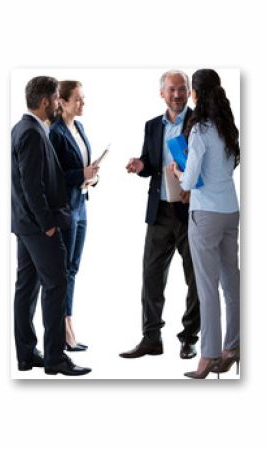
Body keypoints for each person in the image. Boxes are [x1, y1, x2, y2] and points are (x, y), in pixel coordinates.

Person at [11, 76, 91, 376]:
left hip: (25, 225)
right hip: (38, 227)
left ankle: (27, 353)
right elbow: (32, 186)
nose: (59, 103)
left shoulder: (24, 128)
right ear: (45, 101)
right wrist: (48, 225)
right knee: (55, 286)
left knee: (27, 288)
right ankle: (55, 359)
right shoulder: (31, 132)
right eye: (58, 98)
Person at [119, 70, 200, 360]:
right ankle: (151, 338)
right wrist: (140, 165)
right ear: (162, 93)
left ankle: (189, 338)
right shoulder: (152, 126)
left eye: (182, 89)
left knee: (196, 279)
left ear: (189, 92)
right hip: (160, 213)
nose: (177, 94)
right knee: (151, 278)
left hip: (192, 213)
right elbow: (151, 164)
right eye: (171, 89)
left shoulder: (200, 122)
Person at [170, 69, 240, 379]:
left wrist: (177, 172)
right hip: (230, 211)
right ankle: (233, 348)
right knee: (231, 283)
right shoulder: (228, 127)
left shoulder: (199, 129)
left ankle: (209, 356)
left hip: (205, 215)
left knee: (207, 287)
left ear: (195, 93)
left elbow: (191, 177)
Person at [49, 81, 99, 351]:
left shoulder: (78, 127)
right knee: (64, 270)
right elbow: (54, 176)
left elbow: (81, 167)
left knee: (73, 268)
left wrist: (91, 177)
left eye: (83, 98)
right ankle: (64, 329)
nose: (83, 103)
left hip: (81, 203)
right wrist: (81, 175)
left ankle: (68, 325)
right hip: (65, 209)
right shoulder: (55, 133)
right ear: (63, 102)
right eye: (77, 99)